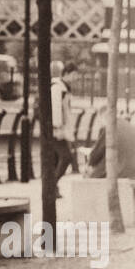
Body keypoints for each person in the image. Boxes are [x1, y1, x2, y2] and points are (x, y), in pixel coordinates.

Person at [86, 111, 135, 179]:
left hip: (115, 174)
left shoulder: (110, 128)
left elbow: (94, 157)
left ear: (103, 117)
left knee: (88, 175)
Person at [50, 60, 76, 190]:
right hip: (57, 130)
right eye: (73, 75)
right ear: (66, 73)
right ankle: (52, 185)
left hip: (59, 129)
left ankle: (53, 187)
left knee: (57, 159)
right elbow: (56, 108)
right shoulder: (59, 88)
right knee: (66, 157)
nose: (74, 78)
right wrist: (58, 126)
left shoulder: (62, 88)